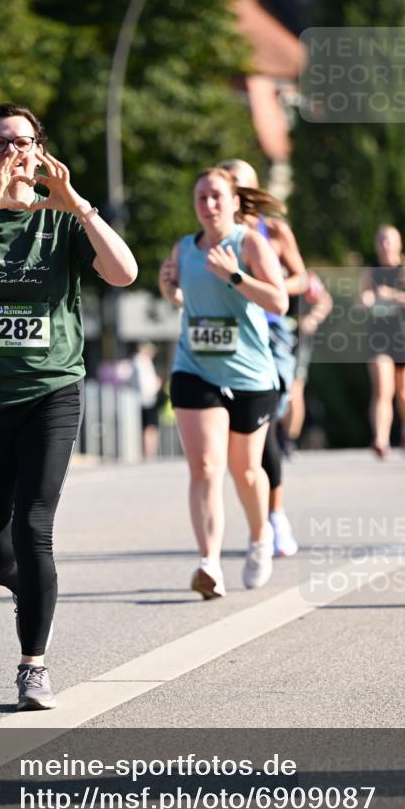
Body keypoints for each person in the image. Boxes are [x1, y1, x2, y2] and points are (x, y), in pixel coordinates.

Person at [0, 100, 137, 711]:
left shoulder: (64, 221)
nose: (11, 152)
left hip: (51, 391)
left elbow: (124, 273)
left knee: (34, 527)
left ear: (41, 150)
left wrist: (81, 207)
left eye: (22, 142)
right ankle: (29, 591)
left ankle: (32, 666)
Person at [158, 166, 288, 599]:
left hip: (251, 375)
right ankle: (209, 563)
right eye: (201, 198)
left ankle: (259, 537)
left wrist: (235, 275)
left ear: (234, 201)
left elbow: (280, 301)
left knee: (246, 472)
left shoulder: (249, 242)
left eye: (216, 196)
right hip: (195, 369)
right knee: (206, 466)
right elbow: (189, 299)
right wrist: (170, 291)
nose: (209, 205)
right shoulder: (184, 248)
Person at [218, 159, 306, 557]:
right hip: (230, 330)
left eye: (237, 183)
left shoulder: (274, 230)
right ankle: (262, 520)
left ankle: (276, 515)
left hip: (269, 330)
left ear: (250, 191)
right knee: (245, 429)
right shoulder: (215, 235)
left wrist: (266, 283)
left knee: (269, 421)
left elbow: (301, 278)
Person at [360, 225, 405, 459]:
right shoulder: (371, 272)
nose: (385, 245)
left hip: (403, 337)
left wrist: (395, 296)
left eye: (389, 240)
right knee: (382, 388)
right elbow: (363, 300)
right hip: (379, 337)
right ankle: (380, 438)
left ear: (399, 244)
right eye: (381, 240)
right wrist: (367, 300)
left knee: (404, 390)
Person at [283, 270, 333, 450]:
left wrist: (312, 319)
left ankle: (289, 439)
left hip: (296, 337)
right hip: (267, 336)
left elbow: (325, 301)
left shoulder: (303, 274)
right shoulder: (256, 263)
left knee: (294, 388)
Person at [130, 342, 163, 459]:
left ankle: (147, 453)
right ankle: (149, 453)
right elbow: (145, 385)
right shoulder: (141, 362)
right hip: (147, 400)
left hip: (143, 399)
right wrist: (157, 384)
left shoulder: (137, 362)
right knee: (150, 427)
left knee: (146, 427)